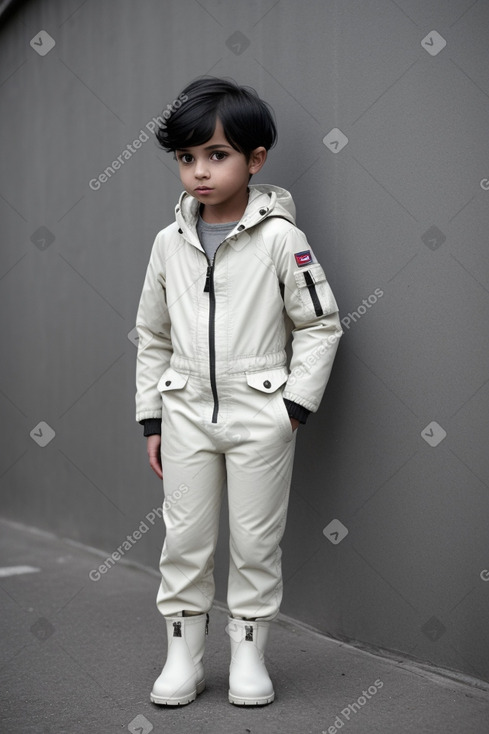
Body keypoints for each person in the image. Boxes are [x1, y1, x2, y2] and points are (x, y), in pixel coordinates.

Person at [135, 76, 342, 707]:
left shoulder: (282, 239)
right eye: (186, 158)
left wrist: (293, 408)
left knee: (256, 543)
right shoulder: (168, 244)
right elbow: (151, 333)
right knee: (185, 540)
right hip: (186, 414)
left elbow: (320, 323)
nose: (199, 171)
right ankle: (184, 659)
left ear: (255, 160)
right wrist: (152, 420)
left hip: (262, 415)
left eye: (216, 155)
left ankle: (249, 657)